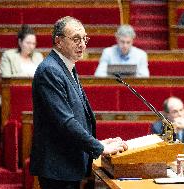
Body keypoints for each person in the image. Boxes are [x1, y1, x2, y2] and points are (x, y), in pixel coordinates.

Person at [30, 16, 128, 189]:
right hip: (58, 168)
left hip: (68, 164)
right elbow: (65, 121)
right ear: (58, 41)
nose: (82, 44)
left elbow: (78, 116)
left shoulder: (66, 66)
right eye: (76, 39)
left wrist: (100, 143)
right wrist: (99, 147)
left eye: (84, 38)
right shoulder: (50, 70)